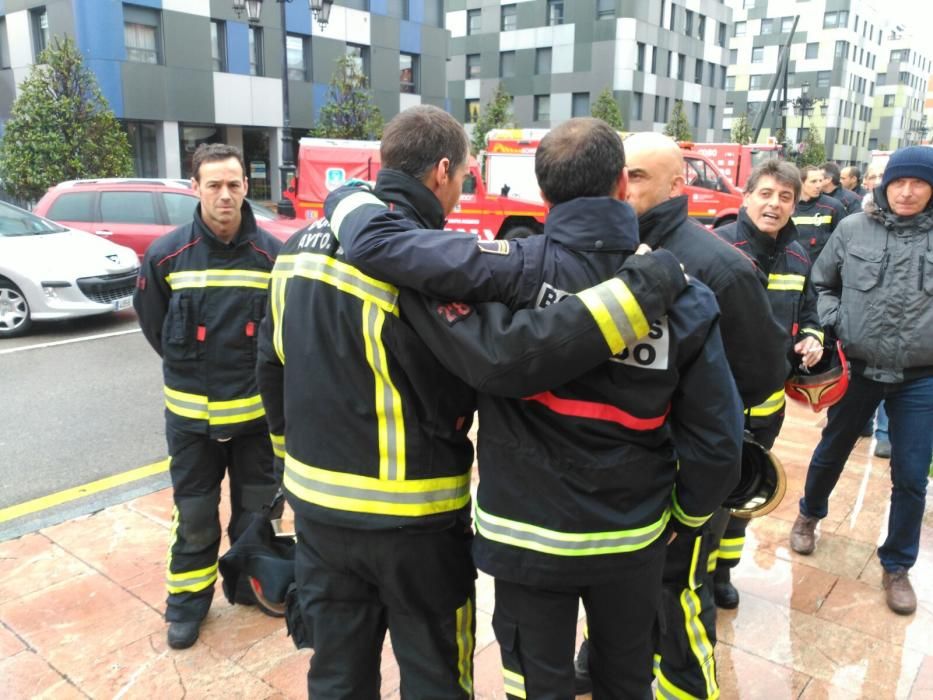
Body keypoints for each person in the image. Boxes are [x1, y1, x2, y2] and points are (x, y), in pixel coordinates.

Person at [257, 106, 688, 698]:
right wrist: (640, 292)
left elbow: (272, 367)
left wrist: (288, 464)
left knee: (335, 670)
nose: (462, 191)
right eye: (463, 176)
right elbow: (488, 364)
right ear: (440, 171)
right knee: (435, 671)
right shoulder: (424, 261)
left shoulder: (294, 251)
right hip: (415, 516)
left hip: (318, 511)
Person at [575, 131, 789, 699]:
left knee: (676, 597)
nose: (623, 185)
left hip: (682, 479)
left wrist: (717, 476)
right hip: (616, 471)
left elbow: (763, 378)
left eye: (638, 176)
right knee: (613, 584)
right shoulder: (600, 250)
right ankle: (596, 660)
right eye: (620, 174)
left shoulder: (720, 268)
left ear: (677, 185)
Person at [133, 143, 283, 650]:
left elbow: (283, 338)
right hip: (191, 423)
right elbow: (156, 330)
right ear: (194, 188)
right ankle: (188, 605)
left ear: (247, 187)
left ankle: (247, 588)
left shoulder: (273, 258)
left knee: (256, 511)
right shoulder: (165, 256)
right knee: (195, 518)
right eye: (214, 184)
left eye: (234, 184)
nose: (225, 194)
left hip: (256, 424)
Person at [790, 145, 933, 616]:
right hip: (861, 367)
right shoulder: (853, 229)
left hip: (921, 377)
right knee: (833, 448)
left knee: (911, 475)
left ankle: (897, 565)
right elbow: (820, 283)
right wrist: (839, 320)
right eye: (899, 182)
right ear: (884, 184)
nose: (907, 192)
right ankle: (809, 514)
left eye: (918, 183)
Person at [713, 160, 824, 610]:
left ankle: (722, 572)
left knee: (745, 489)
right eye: (765, 193)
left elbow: (811, 314)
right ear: (746, 197)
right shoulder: (718, 247)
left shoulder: (800, 256)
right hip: (716, 399)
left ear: (795, 204)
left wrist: (813, 339)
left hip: (766, 404)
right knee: (704, 486)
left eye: (785, 197)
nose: (774, 204)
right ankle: (691, 571)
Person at [792, 165, 846, 262]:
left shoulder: (833, 206)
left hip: (821, 269)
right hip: (794, 267)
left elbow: (844, 240)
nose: (818, 185)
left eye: (820, 181)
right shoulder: (790, 206)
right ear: (800, 183)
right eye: (813, 181)